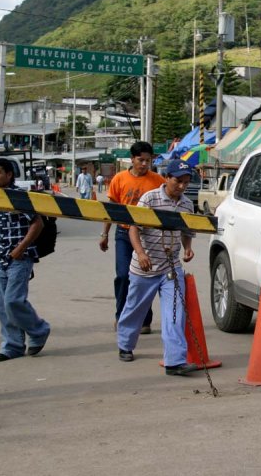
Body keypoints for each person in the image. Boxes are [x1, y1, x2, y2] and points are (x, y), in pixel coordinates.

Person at [116, 159, 197, 376]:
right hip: (145, 267)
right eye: (178, 181)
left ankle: (174, 361)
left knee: (175, 313)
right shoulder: (150, 198)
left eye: (186, 182)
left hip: (171, 267)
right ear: (167, 178)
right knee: (135, 309)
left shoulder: (187, 204)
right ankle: (125, 344)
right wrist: (141, 254)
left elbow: (187, 231)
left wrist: (187, 248)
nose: (181, 186)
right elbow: (133, 229)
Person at [0, 158, 51, 362]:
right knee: (2, 305)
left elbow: (37, 223)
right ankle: (12, 345)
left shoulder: (18, 197)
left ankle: (39, 330)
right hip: (2, 258)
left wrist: (21, 247)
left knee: (13, 301)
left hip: (21, 257)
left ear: (9, 175)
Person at [99, 141, 165, 333]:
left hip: (148, 237)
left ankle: (144, 319)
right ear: (132, 159)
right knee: (123, 276)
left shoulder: (158, 181)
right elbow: (111, 210)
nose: (144, 164)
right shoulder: (119, 179)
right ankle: (121, 317)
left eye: (148, 160)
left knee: (145, 277)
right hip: (124, 234)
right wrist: (105, 234)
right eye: (140, 160)